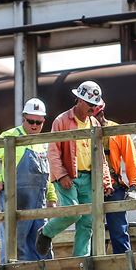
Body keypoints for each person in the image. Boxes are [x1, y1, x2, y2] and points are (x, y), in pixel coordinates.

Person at [35, 81, 113, 258]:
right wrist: (61, 175)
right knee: (73, 212)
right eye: (90, 104)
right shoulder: (61, 121)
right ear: (79, 100)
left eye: (95, 105)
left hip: (89, 177)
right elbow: (53, 151)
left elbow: (100, 155)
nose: (93, 108)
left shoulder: (95, 124)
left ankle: (81, 260)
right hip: (68, 175)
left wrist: (106, 180)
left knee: (87, 221)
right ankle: (46, 232)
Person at [0, 97, 57, 262]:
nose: (35, 126)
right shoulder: (11, 136)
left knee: (41, 236)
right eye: (31, 121)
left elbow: (48, 172)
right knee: (15, 238)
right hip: (16, 198)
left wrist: (51, 195)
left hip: (39, 200)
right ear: (24, 117)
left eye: (39, 122)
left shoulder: (42, 143)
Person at [92, 100, 136, 254]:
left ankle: (125, 266)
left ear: (101, 114)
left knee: (119, 231)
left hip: (114, 187)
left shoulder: (117, 131)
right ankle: (92, 268)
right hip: (90, 187)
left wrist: (133, 185)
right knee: (91, 231)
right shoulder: (84, 131)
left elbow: (130, 158)